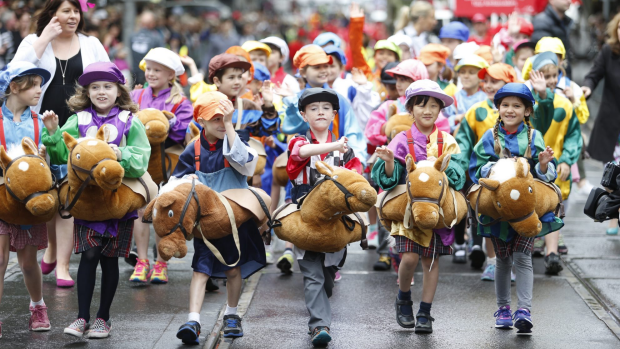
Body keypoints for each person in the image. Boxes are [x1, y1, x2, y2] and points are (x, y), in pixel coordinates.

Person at [41, 62, 150, 338]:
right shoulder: (77, 120)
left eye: (108, 86)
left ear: (118, 90)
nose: (102, 92)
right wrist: (53, 133)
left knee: (110, 259)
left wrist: (119, 154)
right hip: (88, 202)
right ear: (86, 92)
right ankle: (81, 318)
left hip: (118, 201)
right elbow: (58, 156)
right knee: (89, 255)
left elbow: (141, 159)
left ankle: (103, 318)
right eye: (95, 87)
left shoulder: (129, 121)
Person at [13, 0, 110, 288]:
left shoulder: (90, 43)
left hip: (79, 129)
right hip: (41, 127)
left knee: (68, 198)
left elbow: (108, 78)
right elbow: (16, 74)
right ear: (52, 13)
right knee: (49, 193)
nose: (72, 16)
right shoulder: (34, 40)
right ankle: (53, 249)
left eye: (76, 11)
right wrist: (45, 38)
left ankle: (63, 265)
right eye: (66, 10)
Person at [173, 91, 266, 344]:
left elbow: (245, 163)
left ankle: (232, 315)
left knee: (233, 269)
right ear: (200, 121)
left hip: (234, 221)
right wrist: (185, 182)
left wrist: (229, 125)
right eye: (214, 118)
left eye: (224, 117)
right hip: (207, 224)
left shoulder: (236, 140)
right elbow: (173, 181)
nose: (220, 123)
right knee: (200, 270)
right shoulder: (193, 148)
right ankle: (193, 320)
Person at [372, 80, 464, 333]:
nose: (428, 110)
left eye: (434, 106)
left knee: (431, 261)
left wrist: (443, 169)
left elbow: (459, 174)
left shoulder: (448, 141)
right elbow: (387, 178)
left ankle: (425, 312)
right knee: (410, 257)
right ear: (410, 109)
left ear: (440, 110)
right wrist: (390, 162)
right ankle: (403, 297)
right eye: (421, 105)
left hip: (438, 213)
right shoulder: (401, 140)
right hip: (409, 214)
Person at [469, 83, 561, 335]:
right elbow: (476, 168)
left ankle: (524, 310)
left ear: (528, 111)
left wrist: (542, 165)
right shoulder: (489, 137)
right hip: (498, 210)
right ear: (498, 108)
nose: (510, 110)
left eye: (517, 106)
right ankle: (503, 309)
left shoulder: (534, 137)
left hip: (525, 211)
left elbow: (548, 175)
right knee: (502, 259)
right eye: (505, 105)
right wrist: (496, 168)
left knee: (522, 257)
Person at [286, 88, 362, 347]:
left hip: (336, 222)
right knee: (312, 275)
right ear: (304, 115)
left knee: (328, 276)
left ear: (334, 114)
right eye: (314, 108)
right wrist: (335, 146)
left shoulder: (346, 151)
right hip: (304, 219)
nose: (320, 111)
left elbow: (356, 178)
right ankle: (320, 326)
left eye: (326, 108)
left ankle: (321, 310)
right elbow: (301, 154)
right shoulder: (297, 140)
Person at [128, 47, 193, 284]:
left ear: (170, 76)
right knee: (139, 210)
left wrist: (170, 121)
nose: (151, 73)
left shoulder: (180, 101)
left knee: (162, 213)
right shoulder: (135, 96)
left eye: (158, 70)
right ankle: (142, 261)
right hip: (140, 163)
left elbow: (183, 132)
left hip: (167, 165)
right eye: (149, 69)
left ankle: (161, 263)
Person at [0, 61, 52, 338]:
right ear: (13, 87)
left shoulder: (39, 123)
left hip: (29, 203)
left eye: (39, 84)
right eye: (33, 84)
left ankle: (38, 305)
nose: (39, 90)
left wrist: (47, 154)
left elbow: (52, 167)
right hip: (1, 199)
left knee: (28, 263)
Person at [453, 63, 519, 279]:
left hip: (516, 177)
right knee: (489, 217)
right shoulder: (476, 111)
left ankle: (513, 262)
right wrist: (461, 168)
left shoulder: (519, 110)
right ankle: (492, 262)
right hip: (485, 176)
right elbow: (464, 141)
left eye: (495, 81)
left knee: (515, 219)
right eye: (487, 81)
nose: (489, 85)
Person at [523, 54, 582, 274]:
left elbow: (573, 135)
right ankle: (528, 250)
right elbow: (537, 121)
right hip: (531, 164)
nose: (549, 80)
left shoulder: (565, 104)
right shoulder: (528, 102)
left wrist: (567, 160)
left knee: (553, 207)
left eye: (553, 75)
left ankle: (552, 253)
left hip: (554, 165)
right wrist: (540, 94)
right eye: (544, 75)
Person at [582, 13, 620, 234]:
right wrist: (586, 88)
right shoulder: (609, 52)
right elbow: (593, 75)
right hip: (613, 123)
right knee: (615, 172)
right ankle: (613, 217)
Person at [444, 54, 488, 133]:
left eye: (471, 73)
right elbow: (443, 125)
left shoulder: (486, 99)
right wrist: (457, 118)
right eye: (463, 72)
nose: (466, 76)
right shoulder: (453, 99)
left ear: (481, 77)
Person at [531, 0, 573, 77]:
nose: (569, 1)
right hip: (551, 79)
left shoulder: (564, 21)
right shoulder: (542, 21)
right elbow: (544, 59)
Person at [129, 11, 165, 86]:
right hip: (150, 75)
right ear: (152, 23)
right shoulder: (156, 37)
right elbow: (162, 55)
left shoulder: (132, 36)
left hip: (134, 72)